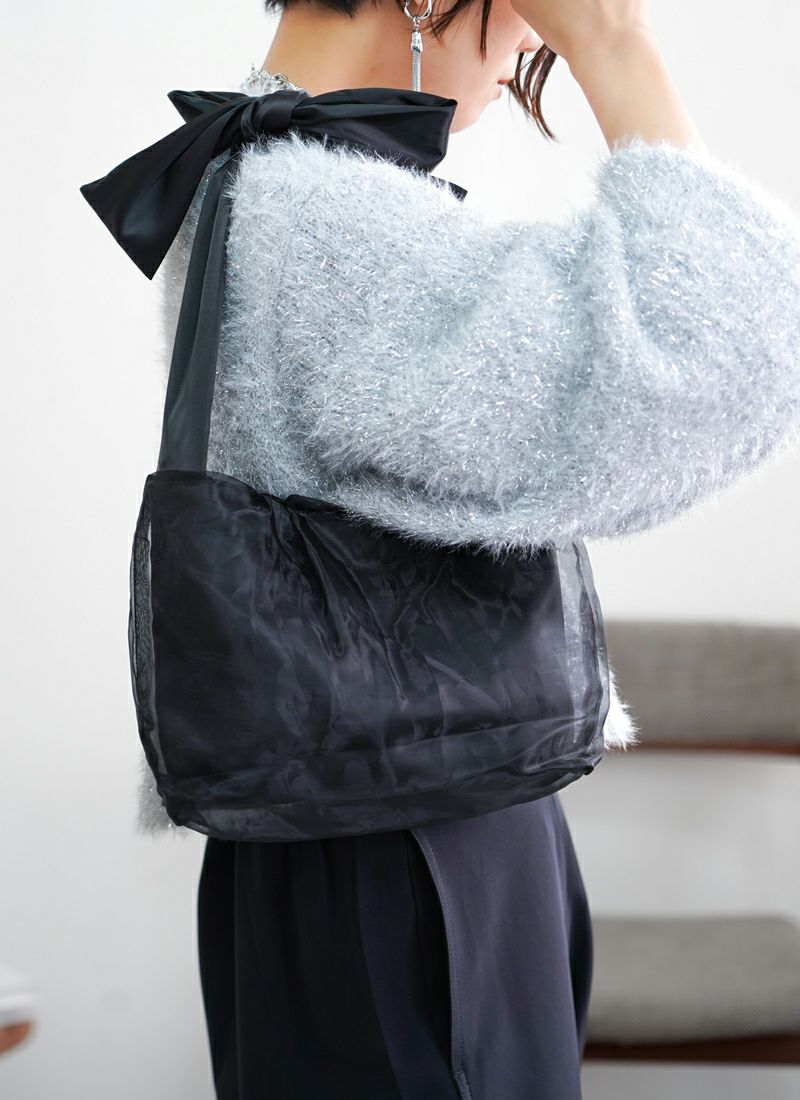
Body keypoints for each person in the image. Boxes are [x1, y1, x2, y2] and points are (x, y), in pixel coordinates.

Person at [132, 0, 800, 1096]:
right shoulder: (321, 215)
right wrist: (614, 45)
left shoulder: (259, 176)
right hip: (409, 843)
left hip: (358, 817)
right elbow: (716, 348)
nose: (533, 37)